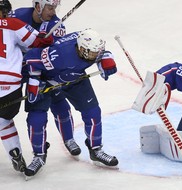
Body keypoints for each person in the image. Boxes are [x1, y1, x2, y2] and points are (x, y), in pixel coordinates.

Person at [22, 29, 119, 177]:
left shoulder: (89, 43)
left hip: (75, 78)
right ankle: (39, 155)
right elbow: (31, 58)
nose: (95, 56)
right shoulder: (59, 55)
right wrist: (35, 81)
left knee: (93, 112)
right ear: (81, 49)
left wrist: (106, 58)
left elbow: (101, 51)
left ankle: (96, 150)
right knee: (36, 119)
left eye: (96, 53)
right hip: (47, 81)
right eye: (93, 54)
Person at [11, 0, 81, 156]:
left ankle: (69, 139)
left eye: (55, 7)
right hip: (18, 68)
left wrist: (48, 44)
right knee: (7, 103)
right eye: (50, 7)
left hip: (42, 70)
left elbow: (57, 51)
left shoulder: (56, 24)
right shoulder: (18, 15)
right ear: (38, 6)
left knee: (60, 104)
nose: (53, 12)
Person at [0, 0, 53, 173]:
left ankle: (13, 151)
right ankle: (15, 153)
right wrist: (45, 36)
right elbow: (37, 43)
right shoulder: (14, 23)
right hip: (11, 86)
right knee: (4, 120)